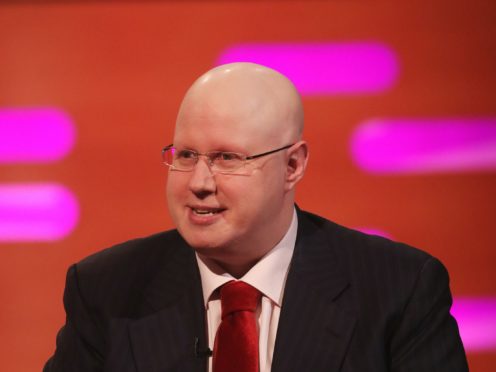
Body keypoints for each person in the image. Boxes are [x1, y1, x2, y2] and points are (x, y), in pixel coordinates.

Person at [44, 62, 468, 371]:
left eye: (227, 158)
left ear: (293, 166)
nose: (199, 182)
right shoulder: (107, 291)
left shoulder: (398, 289)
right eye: (186, 155)